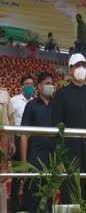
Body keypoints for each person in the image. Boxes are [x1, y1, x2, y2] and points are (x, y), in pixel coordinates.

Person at [52, 53, 86, 202]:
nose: (81, 68)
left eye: (83, 65)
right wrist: (59, 155)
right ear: (70, 69)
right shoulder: (61, 94)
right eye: (77, 65)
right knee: (69, 191)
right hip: (69, 153)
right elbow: (56, 124)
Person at [20, 72, 55, 212]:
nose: (50, 86)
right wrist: (24, 163)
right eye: (47, 84)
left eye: (52, 84)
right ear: (39, 87)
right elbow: (23, 135)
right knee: (32, 199)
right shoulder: (31, 106)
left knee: (48, 200)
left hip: (52, 160)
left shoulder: (57, 106)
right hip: (34, 160)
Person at [10, 75, 35, 212]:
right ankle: (14, 206)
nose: (30, 86)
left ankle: (27, 203)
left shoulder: (36, 102)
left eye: (32, 84)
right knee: (17, 175)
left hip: (32, 142)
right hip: (19, 140)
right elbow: (11, 123)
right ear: (21, 86)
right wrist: (12, 142)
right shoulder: (14, 101)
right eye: (27, 84)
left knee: (30, 173)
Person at [0, 86, 15, 212]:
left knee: (1, 184)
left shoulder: (4, 94)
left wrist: (11, 140)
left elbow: (11, 118)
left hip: (2, 143)